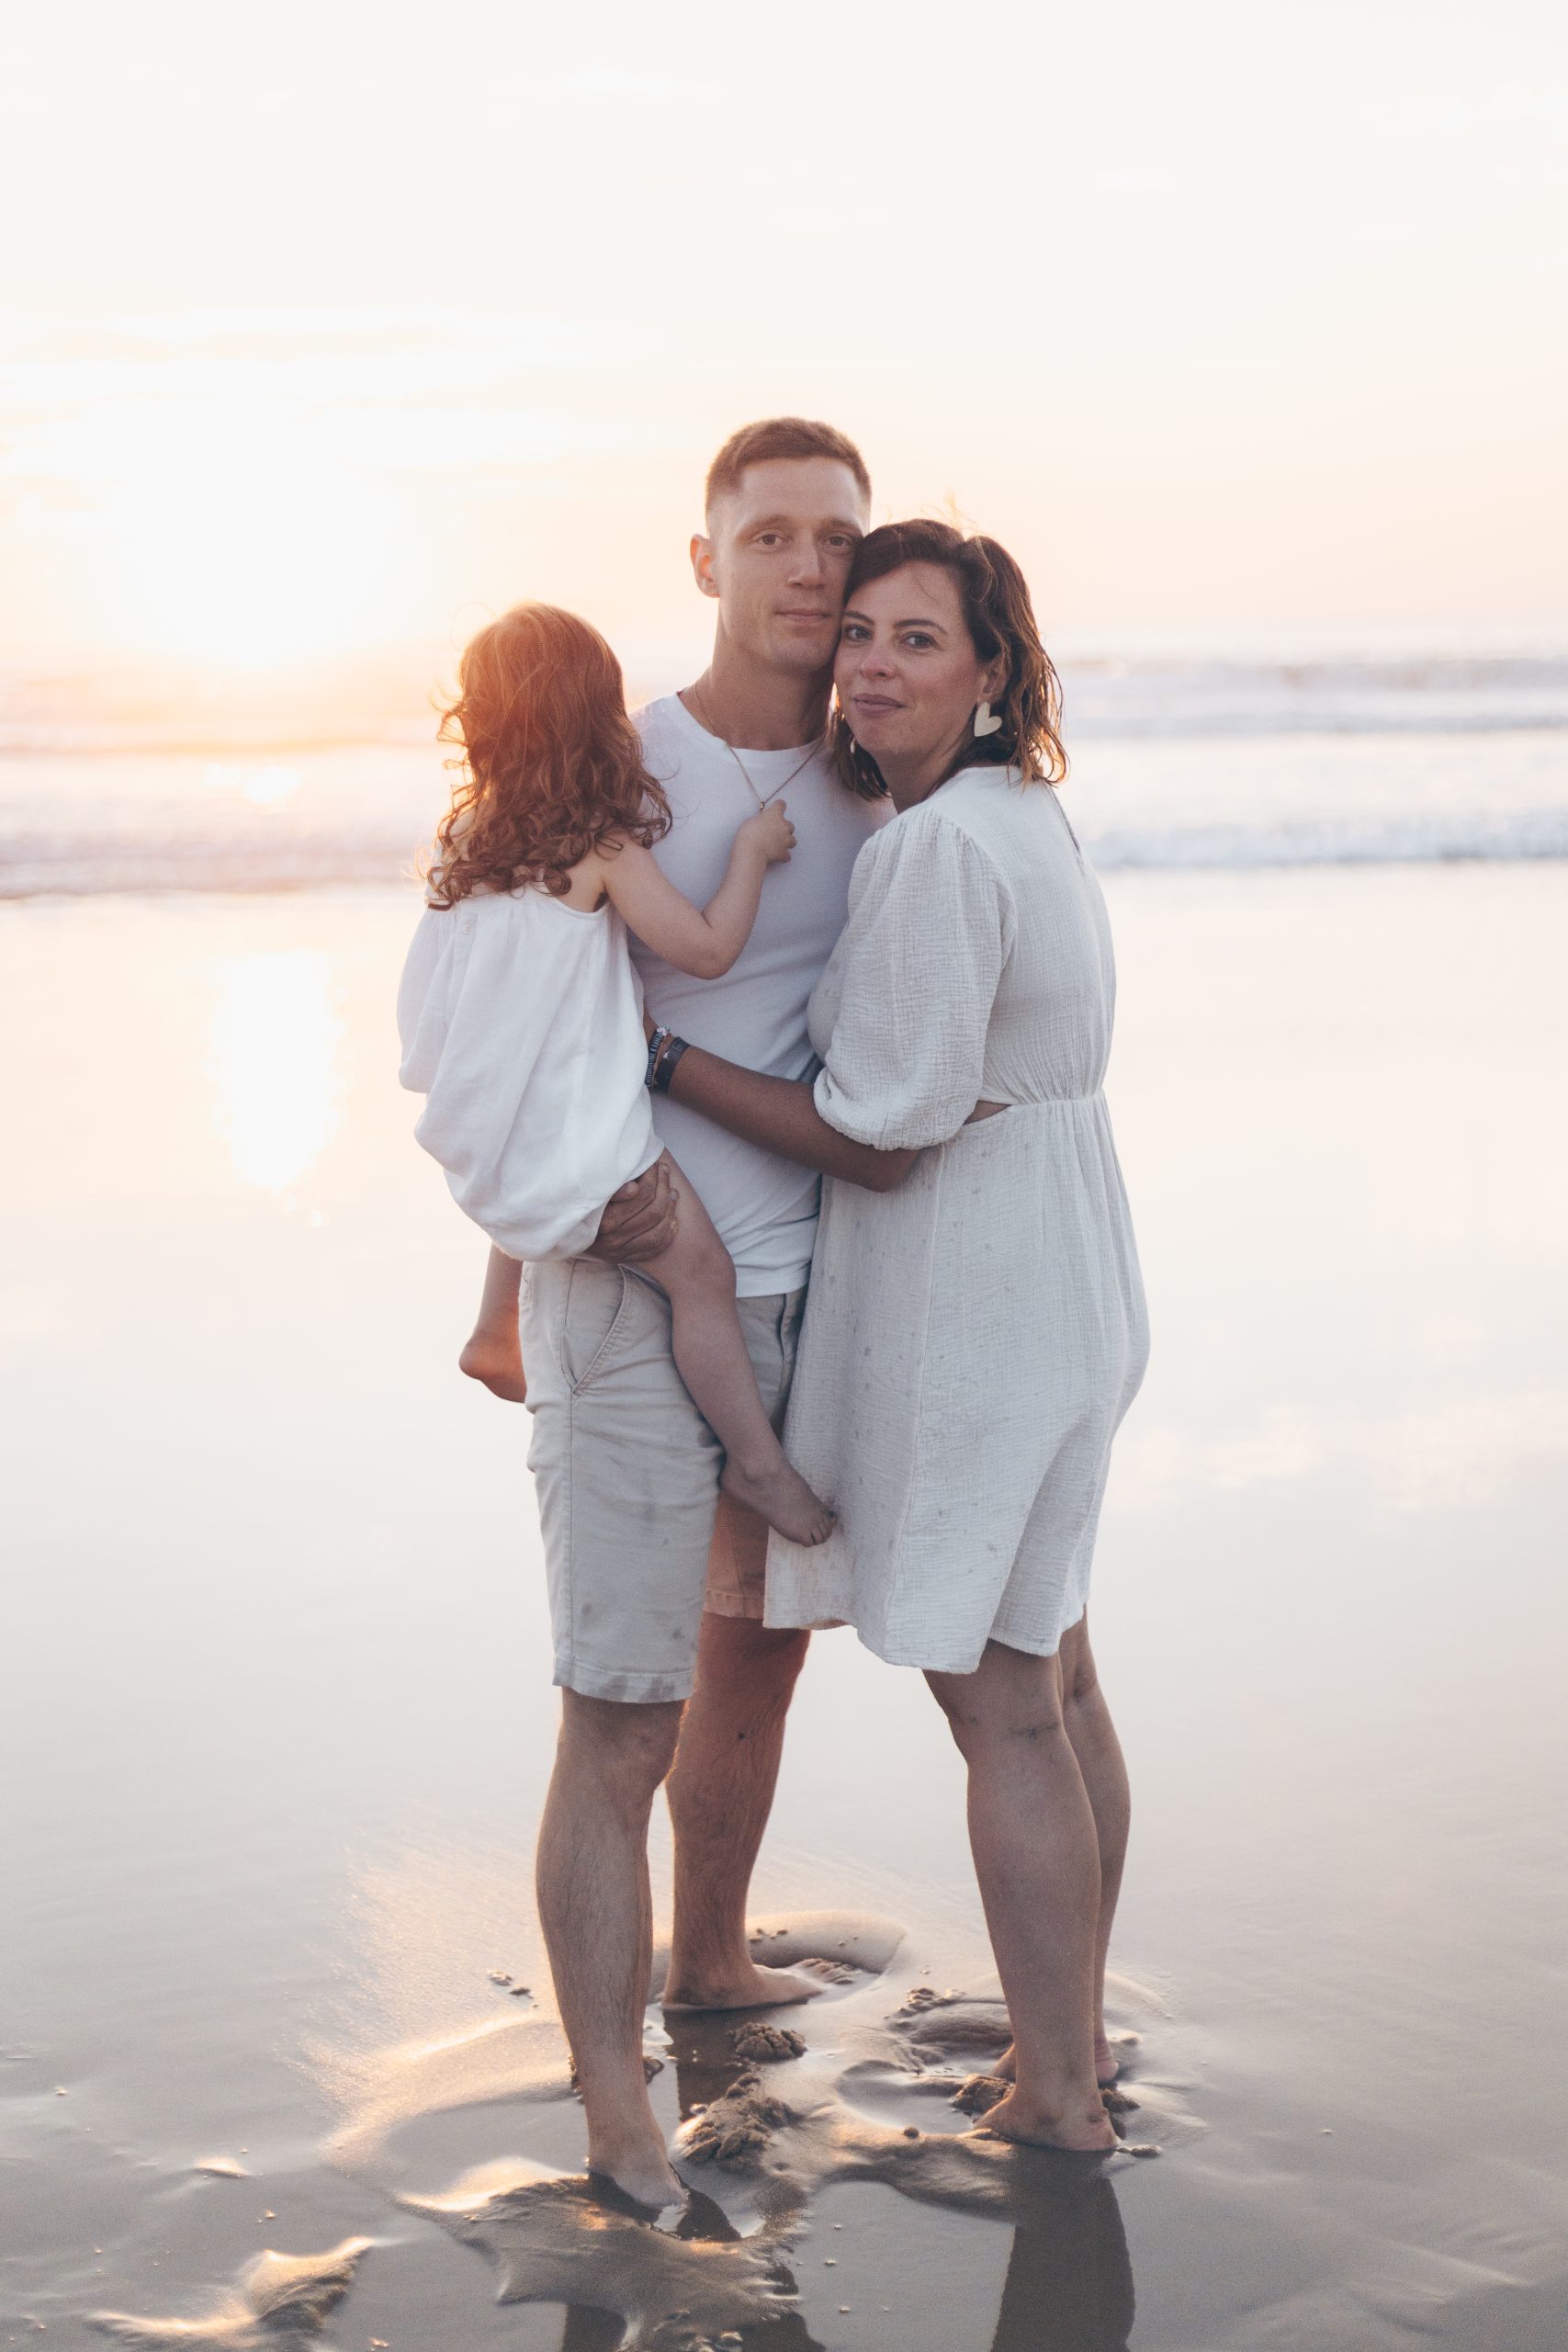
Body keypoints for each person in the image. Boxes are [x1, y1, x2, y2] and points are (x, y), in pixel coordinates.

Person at [646, 519, 1150, 2153]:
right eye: (857, 633)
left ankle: (1056, 2098)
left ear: (991, 668)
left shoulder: (937, 852)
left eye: (918, 640)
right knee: (1057, 1679)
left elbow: (880, 1138)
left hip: (978, 1287)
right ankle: (1069, 2039)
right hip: (1073, 1259)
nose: (868, 663)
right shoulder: (1019, 811)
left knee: (1001, 1702)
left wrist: (665, 1067)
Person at [479, 420, 885, 2209]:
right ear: (703, 557)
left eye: (835, 539)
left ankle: (707, 1955)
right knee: (618, 1706)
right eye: (772, 533)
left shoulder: (890, 759)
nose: (809, 566)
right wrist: (496, 1276)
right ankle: (609, 2114)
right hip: (633, 1281)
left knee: (759, 1643)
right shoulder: (618, 768)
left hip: (812, 1270)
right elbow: (504, 1019)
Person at [398, 602, 832, 1547]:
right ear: (598, 719)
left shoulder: (465, 843)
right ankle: (757, 1465)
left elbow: (441, 1000)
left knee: (543, 1114)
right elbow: (708, 950)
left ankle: (493, 1330)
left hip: (505, 1132)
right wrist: (751, 853)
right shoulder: (599, 849)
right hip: (590, 1158)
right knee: (702, 1273)